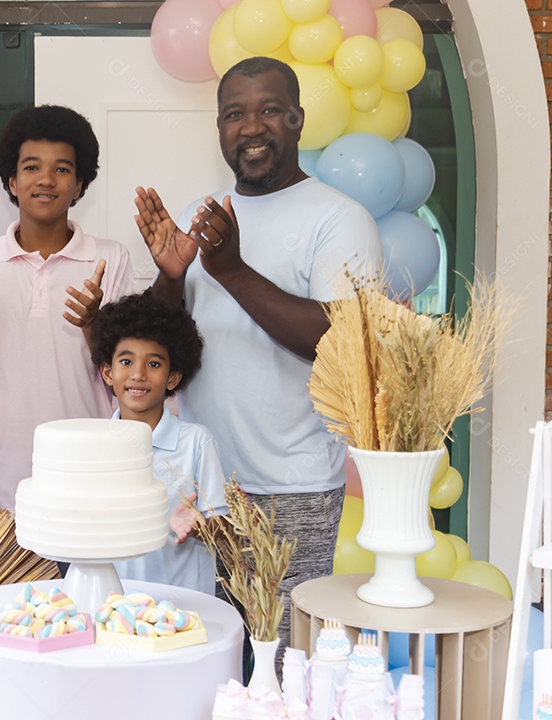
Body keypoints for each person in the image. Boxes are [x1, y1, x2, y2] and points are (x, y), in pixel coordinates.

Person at [134, 58, 382, 650]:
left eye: (268, 110)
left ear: (297, 120)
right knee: (194, 654)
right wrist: (171, 278)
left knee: (278, 658)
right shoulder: (208, 215)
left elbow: (334, 339)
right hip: (197, 488)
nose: (250, 126)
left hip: (288, 488)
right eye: (234, 114)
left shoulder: (340, 219)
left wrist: (232, 271)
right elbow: (169, 346)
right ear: (219, 128)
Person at [0, 105, 135, 510]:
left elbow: (125, 376)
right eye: (32, 168)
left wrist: (91, 323)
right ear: (12, 181)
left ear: (80, 184)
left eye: (62, 169)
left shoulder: (110, 258)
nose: (46, 180)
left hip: (87, 475)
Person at [90, 291, 228, 595]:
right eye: (126, 361)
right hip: (114, 607)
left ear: (173, 377)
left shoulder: (196, 443)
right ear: (108, 373)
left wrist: (200, 527)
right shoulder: (94, 447)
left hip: (184, 610)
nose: (138, 374)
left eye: (153, 364)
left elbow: (223, 531)